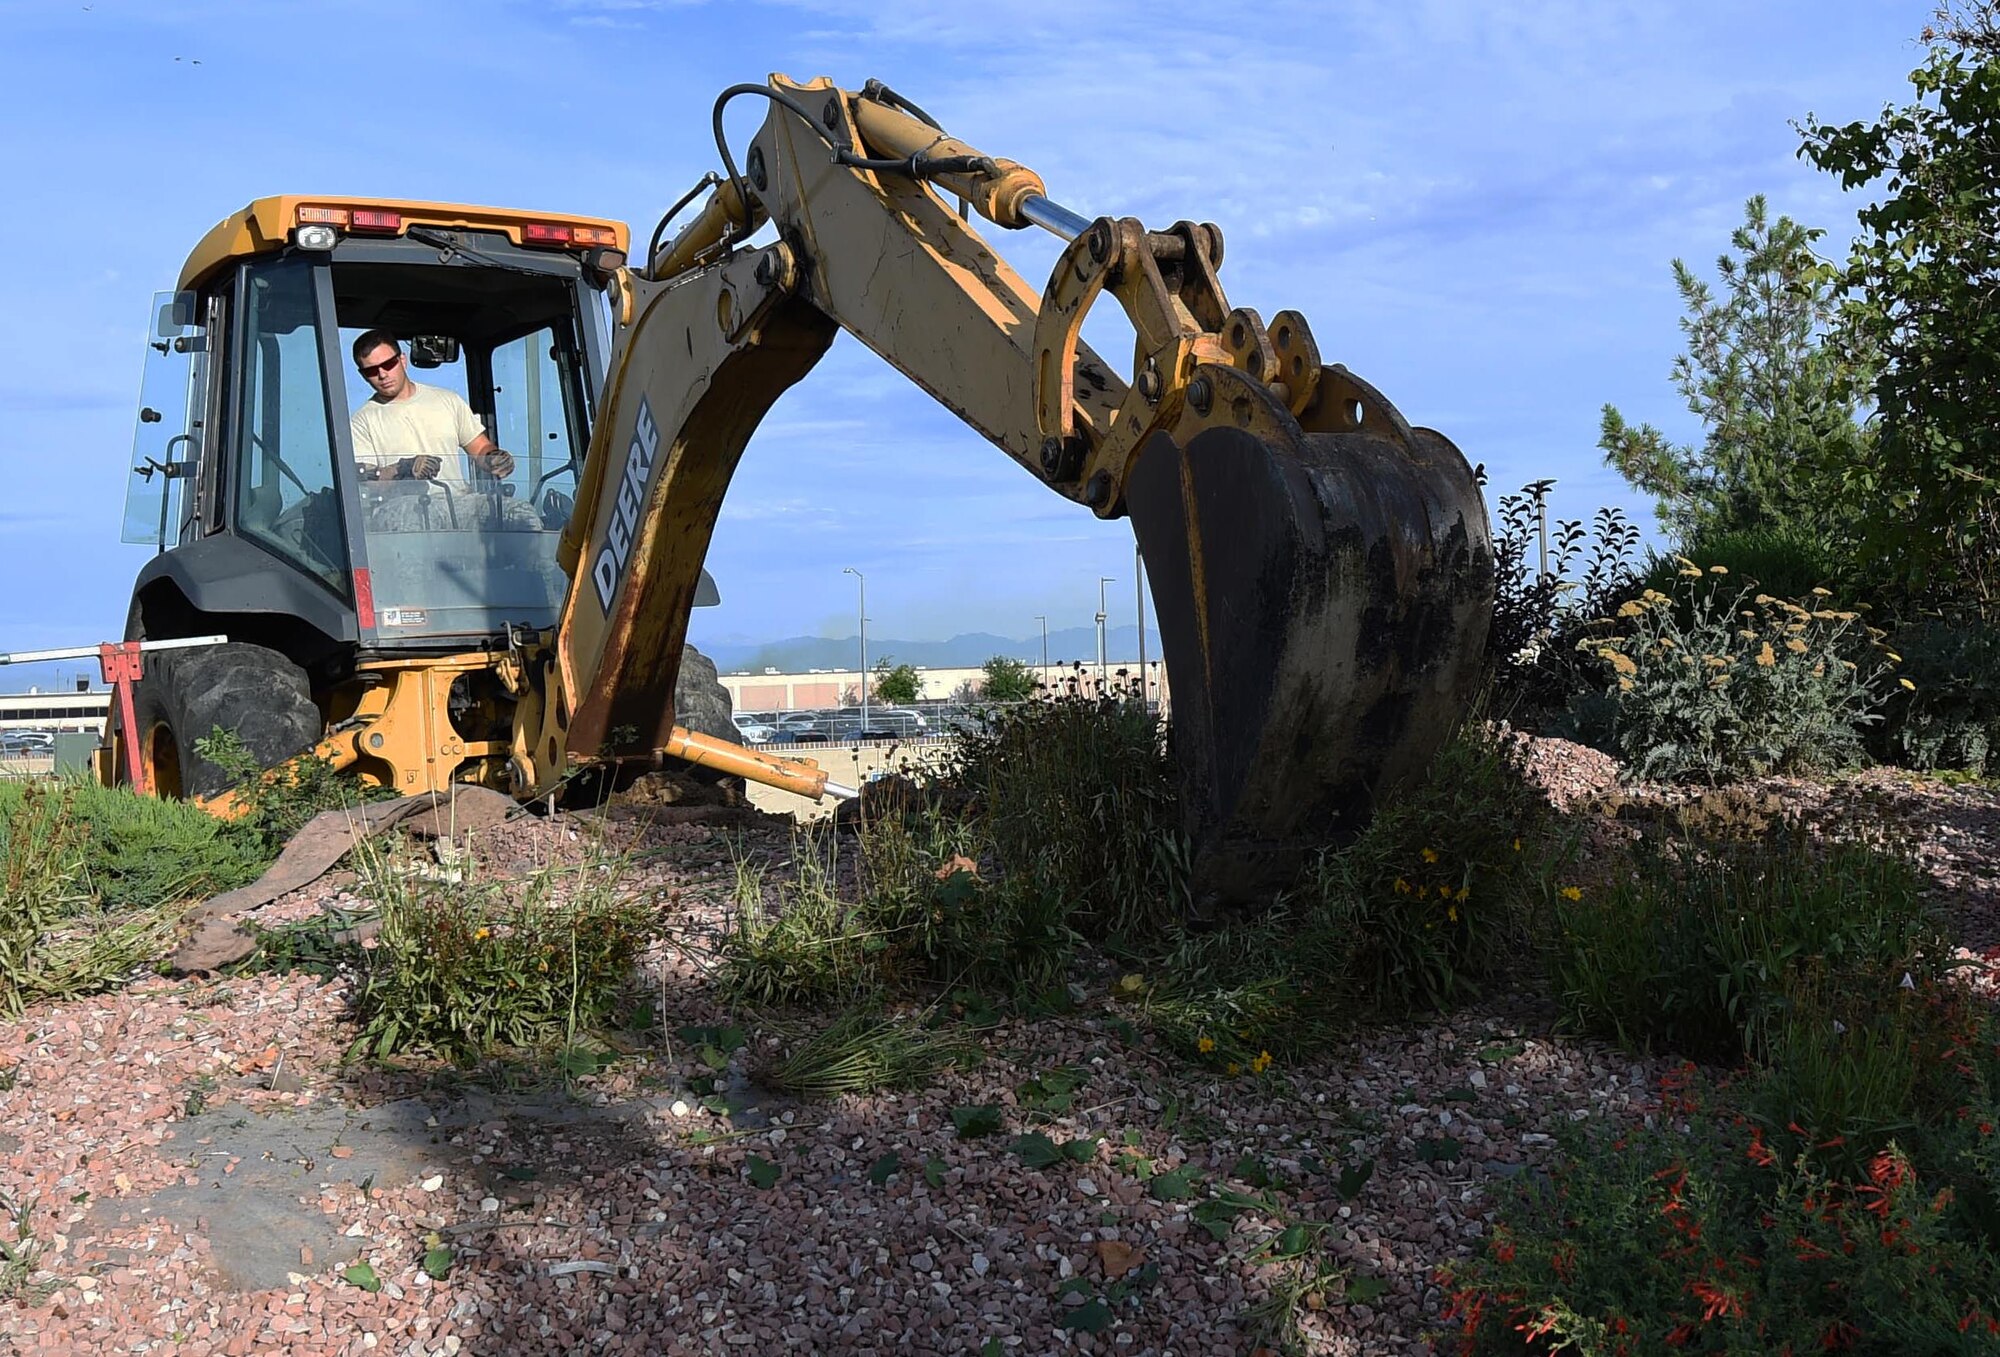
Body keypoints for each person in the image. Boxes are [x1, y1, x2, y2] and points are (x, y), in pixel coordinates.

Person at [349, 329, 515, 492]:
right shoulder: (362, 421)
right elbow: (367, 481)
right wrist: (403, 469)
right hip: (404, 512)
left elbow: (479, 448)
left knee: (519, 513)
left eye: (388, 364)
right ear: (363, 375)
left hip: (458, 505)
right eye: (371, 371)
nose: (382, 374)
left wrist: (495, 458)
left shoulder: (448, 400)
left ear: (402, 360)